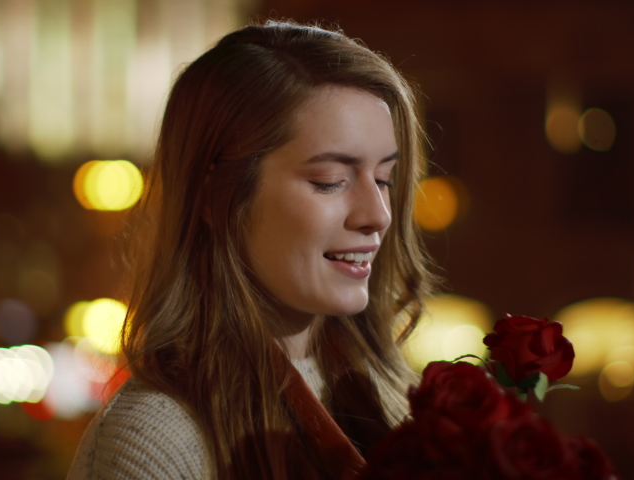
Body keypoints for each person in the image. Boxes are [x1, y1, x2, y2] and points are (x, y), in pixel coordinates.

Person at [68, 20, 435, 480]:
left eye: (384, 179)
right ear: (216, 195)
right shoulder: (158, 436)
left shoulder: (396, 398)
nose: (377, 214)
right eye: (330, 182)